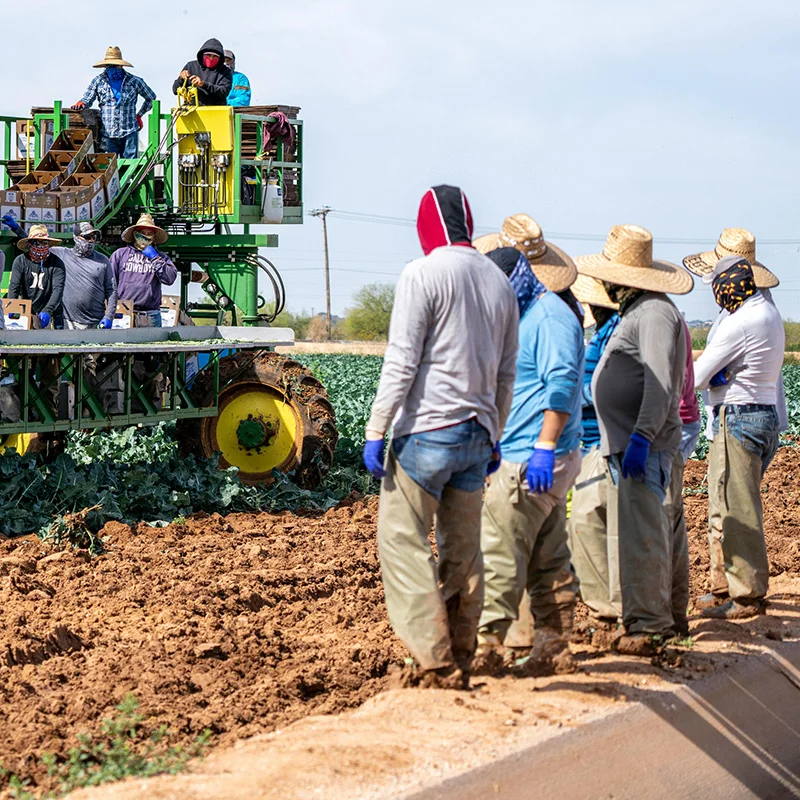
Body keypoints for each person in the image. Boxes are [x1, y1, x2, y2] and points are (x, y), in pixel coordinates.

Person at [363, 185, 519, 689]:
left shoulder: (422, 273)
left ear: (426, 226)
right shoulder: (499, 282)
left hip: (427, 432)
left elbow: (403, 360)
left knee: (402, 540)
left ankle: (434, 658)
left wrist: (376, 428)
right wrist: (494, 432)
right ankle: (463, 649)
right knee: (463, 548)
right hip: (477, 434)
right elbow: (506, 373)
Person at [576, 224, 693, 655]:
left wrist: (642, 435)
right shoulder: (642, 312)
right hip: (632, 444)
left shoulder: (655, 314)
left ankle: (650, 627)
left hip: (646, 446)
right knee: (648, 531)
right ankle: (661, 619)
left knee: (645, 535)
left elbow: (662, 383)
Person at [475, 239, 584, 667]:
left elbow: (560, 385)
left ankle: (482, 649)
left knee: (498, 553)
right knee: (547, 555)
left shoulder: (550, 319)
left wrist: (543, 446)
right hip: (526, 455)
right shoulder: (527, 316)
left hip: (533, 459)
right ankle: (553, 646)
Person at [691, 255, 784, 619]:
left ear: (727, 284)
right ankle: (731, 587)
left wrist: (713, 375)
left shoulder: (738, 322)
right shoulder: (769, 313)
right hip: (764, 415)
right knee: (737, 502)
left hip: (739, 418)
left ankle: (745, 597)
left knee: (737, 508)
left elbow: (697, 377)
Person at [566, 275, 622, 623]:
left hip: (600, 441)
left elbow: (607, 389)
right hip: (587, 440)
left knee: (587, 521)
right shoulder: (603, 333)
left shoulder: (615, 333)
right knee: (584, 520)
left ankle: (607, 608)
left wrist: (573, 396)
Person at [72, 47, 155, 158]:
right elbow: (88, 98)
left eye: (114, 65)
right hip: (108, 134)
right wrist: (81, 103)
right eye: (109, 66)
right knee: (109, 167)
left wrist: (139, 115)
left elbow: (151, 98)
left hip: (129, 132)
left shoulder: (134, 81)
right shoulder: (98, 81)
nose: (111, 68)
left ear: (121, 66)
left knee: (129, 168)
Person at [110, 213, 177, 327]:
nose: (145, 236)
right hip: (123, 313)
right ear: (135, 234)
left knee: (152, 345)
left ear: (154, 237)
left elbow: (170, 278)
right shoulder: (120, 254)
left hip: (151, 315)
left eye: (149, 233)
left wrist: (155, 258)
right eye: (142, 233)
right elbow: (109, 284)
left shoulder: (161, 257)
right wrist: (109, 313)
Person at [51, 223, 117, 330]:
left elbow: (112, 290)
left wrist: (109, 316)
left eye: (93, 237)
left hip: (96, 323)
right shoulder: (62, 255)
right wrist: (16, 228)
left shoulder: (103, 260)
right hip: (69, 323)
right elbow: (36, 246)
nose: (91, 240)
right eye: (87, 237)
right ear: (76, 238)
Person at [7, 225, 64, 329]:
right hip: (26, 310)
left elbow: (58, 290)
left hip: (51, 312)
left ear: (49, 244)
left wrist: (48, 310)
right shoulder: (20, 261)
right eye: (36, 242)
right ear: (30, 244)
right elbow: (14, 287)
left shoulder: (57, 263)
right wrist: (12, 306)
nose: (40, 246)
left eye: (44, 242)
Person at [172, 39, 233, 107]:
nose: (211, 58)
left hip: (215, 112)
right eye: (208, 55)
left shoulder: (225, 71)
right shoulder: (191, 66)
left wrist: (203, 84)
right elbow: (175, 90)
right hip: (191, 112)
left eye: (215, 56)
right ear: (202, 55)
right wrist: (181, 79)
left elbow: (223, 92)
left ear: (220, 58)